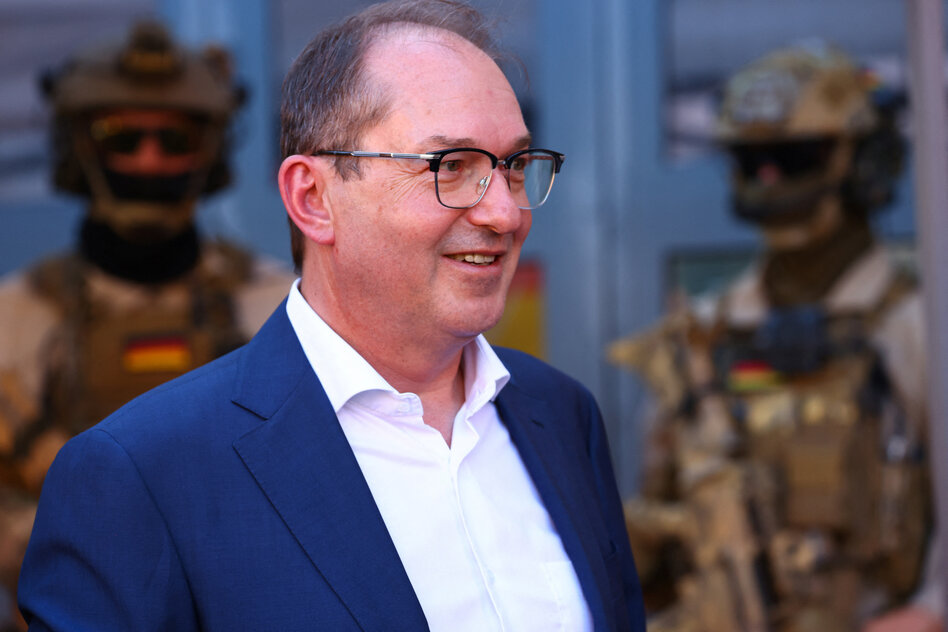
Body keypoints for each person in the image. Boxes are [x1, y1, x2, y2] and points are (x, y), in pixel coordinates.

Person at [17, 2, 647, 630]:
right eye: (451, 167)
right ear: (313, 198)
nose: (505, 213)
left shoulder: (561, 416)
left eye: (514, 167)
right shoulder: (139, 475)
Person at [609, 43, 941, 632]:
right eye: (751, 160)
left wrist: (930, 612)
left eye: (795, 157)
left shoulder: (921, 325)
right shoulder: (698, 338)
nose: (769, 178)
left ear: (865, 162)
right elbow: (656, 528)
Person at [0, 21, 295, 632]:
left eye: (176, 139)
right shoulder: (13, 319)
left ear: (210, 151)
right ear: (80, 148)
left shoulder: (281, 307)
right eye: (121, 137)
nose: (149, 160)